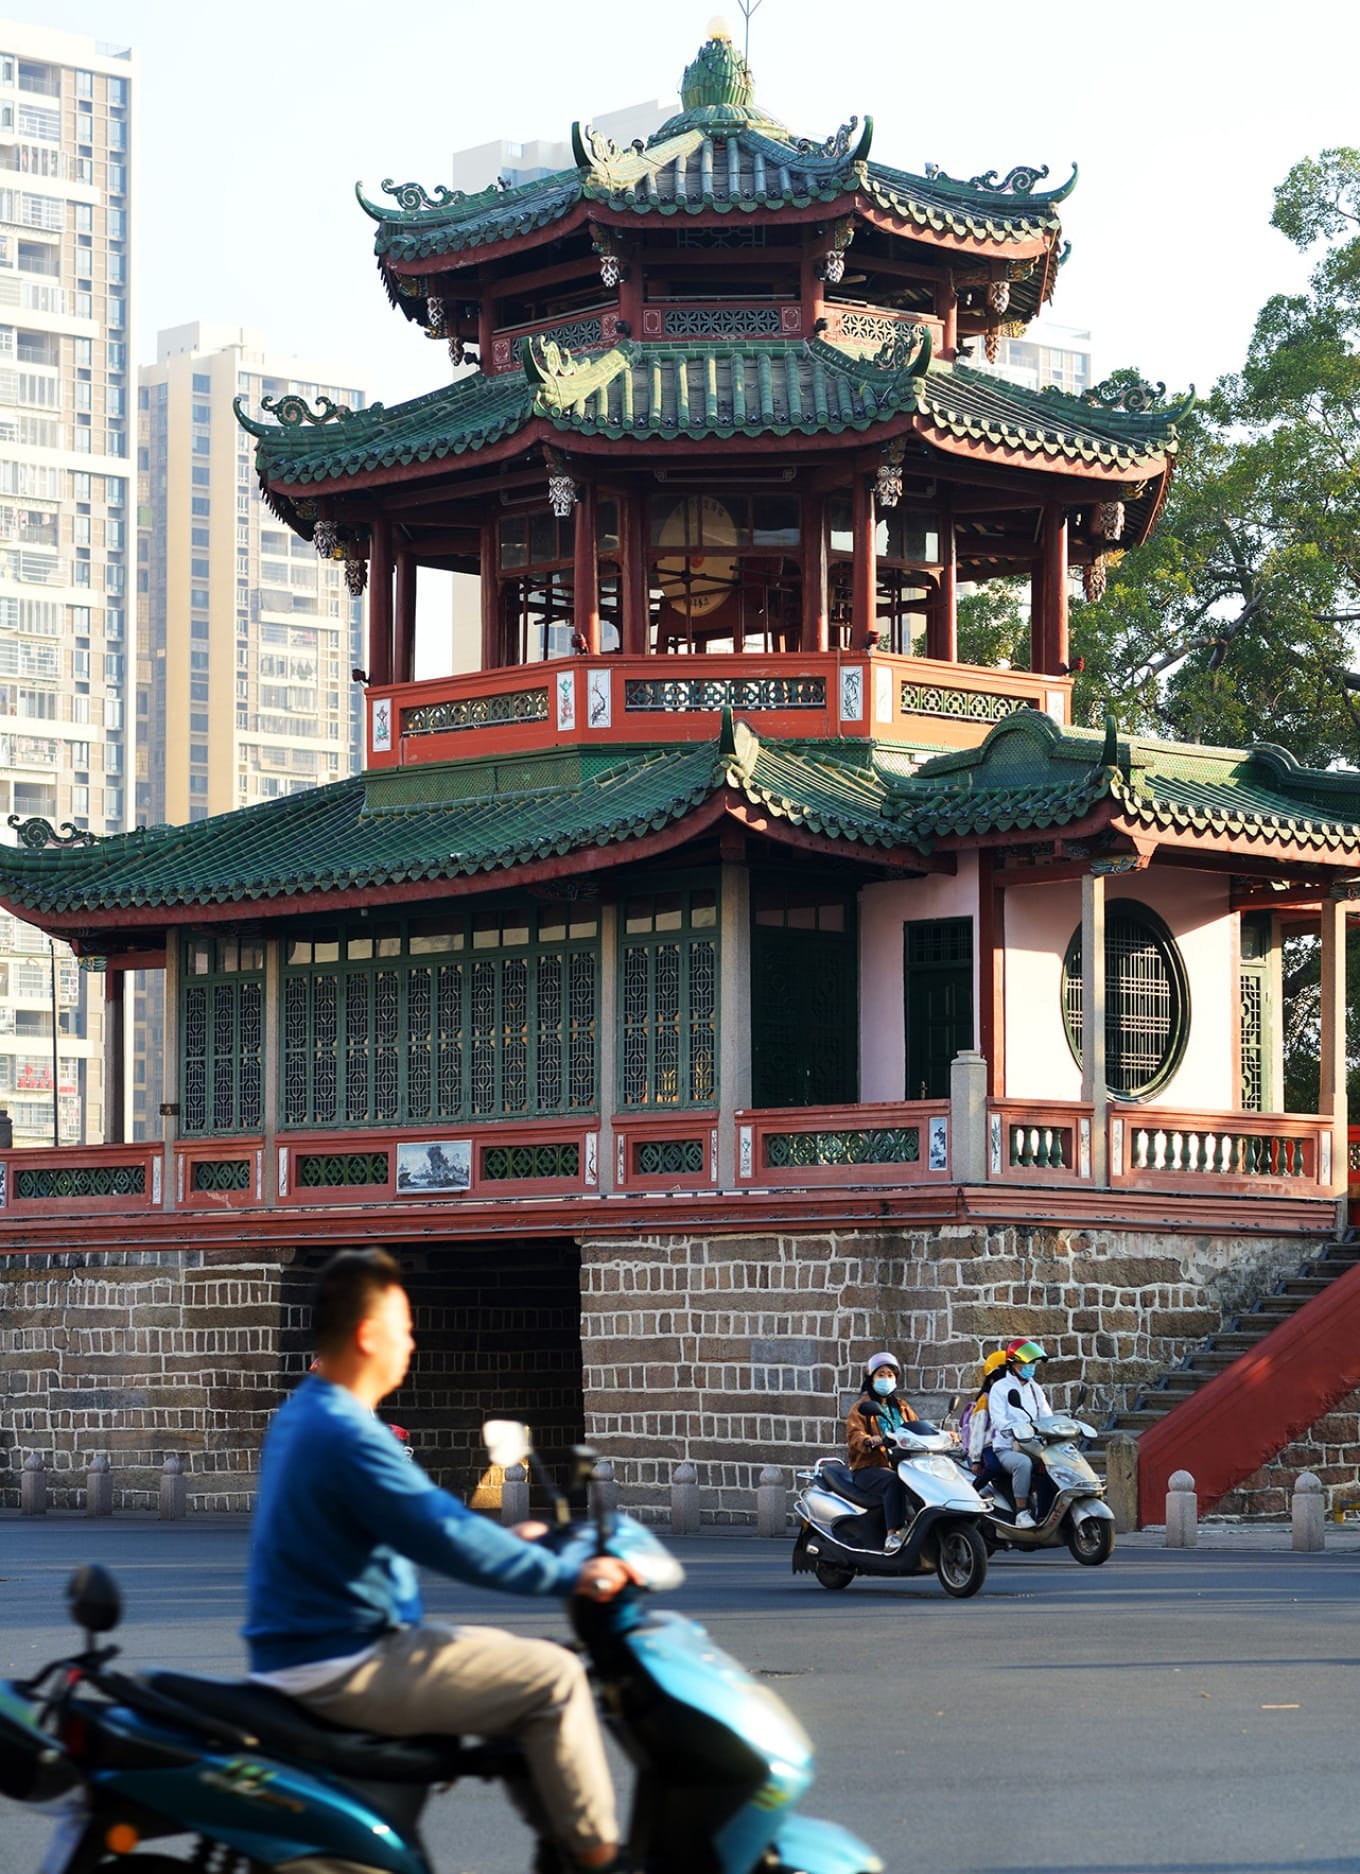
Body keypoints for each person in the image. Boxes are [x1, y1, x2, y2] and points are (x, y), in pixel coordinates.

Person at [244, 1248, 634, 1872]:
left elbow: (417, 1521)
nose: (412, 1342)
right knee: (554, 1679)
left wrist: (513, 1540)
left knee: (503, 1661)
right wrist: (569, 1572)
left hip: (301, 1649)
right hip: (348, 1658)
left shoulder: (303, 1416)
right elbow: (441, 1533)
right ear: (369, 1335)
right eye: (404, 1328)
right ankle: (597, 1856)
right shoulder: (348, 1434)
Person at [846, 1350, 919, 1554]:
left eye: (890, 1375)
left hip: (901, 1464)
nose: (886, 1379)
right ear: (871, 1378)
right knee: (892, 1481)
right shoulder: (861, 1407)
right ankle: (892, 1535)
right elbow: (854, 1434)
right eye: (881, 1374)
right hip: (869, 1467)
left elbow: (918, 1427)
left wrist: (943, 1435)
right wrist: (869, 1440)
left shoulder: (902, 1407)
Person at [985, 1339, 1052, 1528]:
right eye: (1027, 1363)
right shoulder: (1000, 1388)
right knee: (1023, 1463)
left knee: (1056, 1461)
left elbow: (1046, 1415)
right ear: (1013, 1364)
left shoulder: (1034, 1388)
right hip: (1007, 1448)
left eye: (1033, 1363)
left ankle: (1047, 1511)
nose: (1031, 1367)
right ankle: (1021, 1513)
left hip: (1034, 1445)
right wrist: (1018, 1429)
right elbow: (999, 1422)